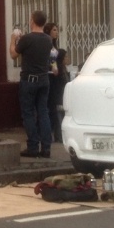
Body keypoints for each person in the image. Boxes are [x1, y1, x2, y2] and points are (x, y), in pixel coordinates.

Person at [10, 10, 53, 158]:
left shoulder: (27, 39)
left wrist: (13, 39)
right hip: (44, 80)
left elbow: (13, 54)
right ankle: (46, 148)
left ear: (32, 21)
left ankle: (33, 147)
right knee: (43, 112)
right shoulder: (48, 39)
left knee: (28, 113)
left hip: (29, 80)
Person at [45, 22, 69, 144]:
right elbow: (49, 60)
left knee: (54, 107)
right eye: (54, 30)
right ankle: (49, 134)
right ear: (48, 31)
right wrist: (53, 66)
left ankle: (57, 134)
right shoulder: (46, 44)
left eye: (57, 30)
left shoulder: (54, 46)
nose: (57, 32)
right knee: (50, 107)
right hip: (49, 77)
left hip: (56, 78)